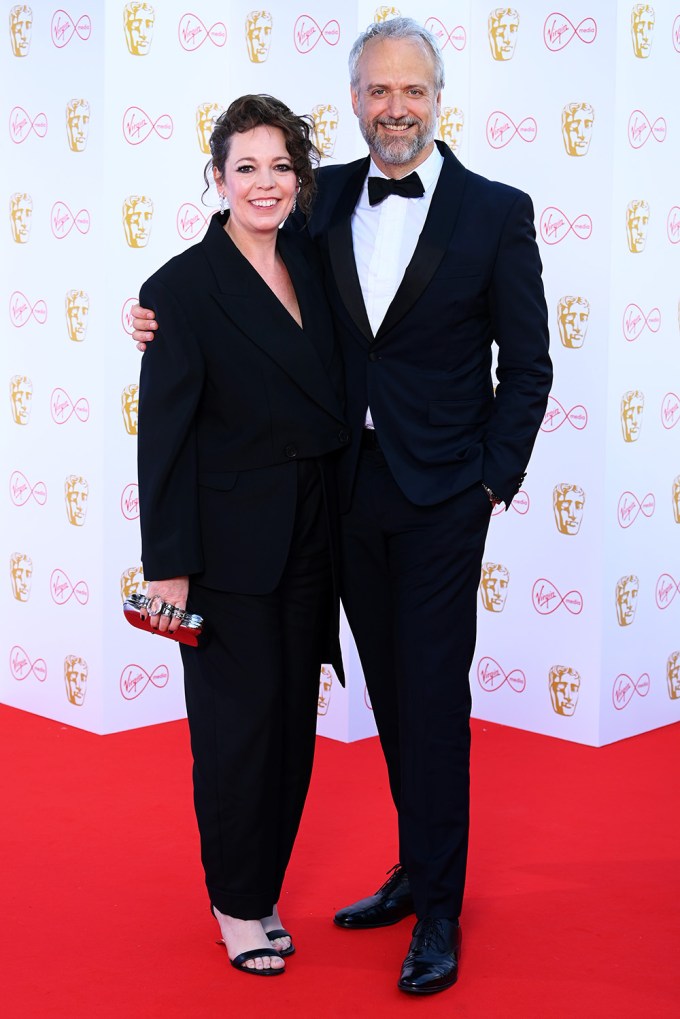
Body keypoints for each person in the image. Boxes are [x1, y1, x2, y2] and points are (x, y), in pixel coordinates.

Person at [132, 18, 552, 995]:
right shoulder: (322, 213)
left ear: (436, 96)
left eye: (411, 90)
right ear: (356, 100)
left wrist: (490, 475)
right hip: (340, 499)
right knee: (391, 699)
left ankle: (439, 908)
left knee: (432, 701)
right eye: (375, 92)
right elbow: (241, 256)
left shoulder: (496, 211)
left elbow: (525, 366)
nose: (393, 107)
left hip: (444, 498)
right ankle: (416, 866)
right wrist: (156, 306)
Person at [135, 94, 348, 977]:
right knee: (237, 733)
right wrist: (170, 571)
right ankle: (236, 903)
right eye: (246, 166)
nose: (266, 183)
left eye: (281, 166)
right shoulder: (179, 289)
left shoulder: (315, 253)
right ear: (218, 178)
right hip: (226, 552)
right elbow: (164, 438)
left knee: (293, 723)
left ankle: (261, 886)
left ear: (301, 178)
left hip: (315, 533)